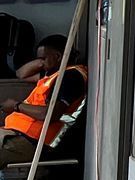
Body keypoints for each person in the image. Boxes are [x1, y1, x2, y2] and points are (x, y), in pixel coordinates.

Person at [0, 37, 86, 168]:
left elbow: (49, 114)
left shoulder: (71, 77)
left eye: (43, 58)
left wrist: (16, 106)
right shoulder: (53, 74)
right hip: (14, 133)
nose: (40, 63)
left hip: (33, 141)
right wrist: (41, 62)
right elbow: (21, 73)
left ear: (57, 56)